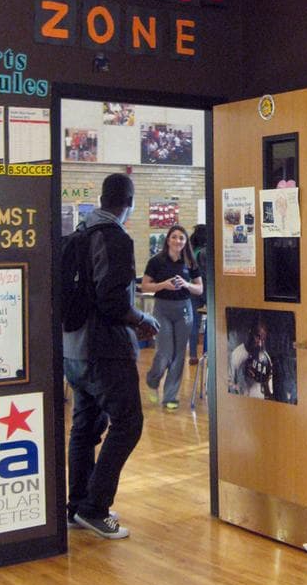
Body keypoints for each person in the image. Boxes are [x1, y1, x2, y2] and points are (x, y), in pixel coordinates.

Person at [64, 172, 160, 539]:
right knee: (128, 423)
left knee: (84, 426)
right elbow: (113, 301)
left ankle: (77, 505)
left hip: (73, 350)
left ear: (102, 198)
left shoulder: (80, 232)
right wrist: (142, 320)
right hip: (104, 351)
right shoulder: (115, 237)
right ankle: (95, 507)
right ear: (129, 203)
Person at [142, 224, 203, 409]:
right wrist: (163, 285)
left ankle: (170, 396)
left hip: (183, 309)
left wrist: (186, 284)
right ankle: (153, 380)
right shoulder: (156, 261)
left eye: (182, 238)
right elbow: (145, 286)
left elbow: (199, 289)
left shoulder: (190, 262)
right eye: (174, 237)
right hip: (162, 309)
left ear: (186, 242)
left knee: (178, 355)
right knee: (164, 352)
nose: (178, 241)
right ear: (168, 239)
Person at [228, 315, 273, 399]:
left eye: (263, 339)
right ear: (250, 333)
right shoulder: (237, 354)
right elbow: (230, 384)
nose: (260, 343)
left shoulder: (265, 358)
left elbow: (269, 392)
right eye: (257, 337)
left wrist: (265, 381)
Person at [187, 224, 207, 365]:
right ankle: (207, 352)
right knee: (211, 320)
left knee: (194, 322)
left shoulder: (192, 252)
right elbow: (207, 274)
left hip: (192, 289)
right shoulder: (205, 252)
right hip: (205, 289)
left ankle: (193, 355)